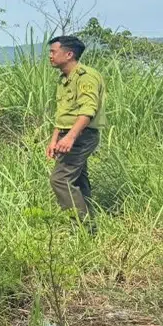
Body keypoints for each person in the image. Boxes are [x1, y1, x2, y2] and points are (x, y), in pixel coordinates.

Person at [45, 34, 106, 225]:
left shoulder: (86, 77)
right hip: (69, 134)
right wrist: (55, 139)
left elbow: (88, 110)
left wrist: (70, 137)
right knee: (77, 179)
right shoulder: (65, 79)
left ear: (69, 54)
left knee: (60, 180)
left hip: (81, 135)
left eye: (53, 52)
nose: (50, 56)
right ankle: (90, 224)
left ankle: (82, 227)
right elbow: (63, 113)